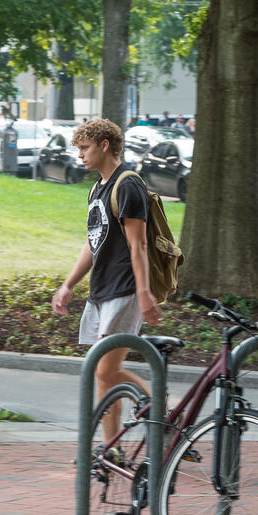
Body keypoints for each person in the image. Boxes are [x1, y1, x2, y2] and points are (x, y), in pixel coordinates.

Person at [50, 118, 161, 423]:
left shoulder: (127, 185)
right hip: (102, 287)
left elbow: (138, 245)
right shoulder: (98, 189)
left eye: (85, 148)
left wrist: (144, 293)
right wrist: (69, 284)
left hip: (124, 288)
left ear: (104, 145)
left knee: (104, 368)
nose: (80, 154)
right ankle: (110, 453)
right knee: (104, 376)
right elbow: (93, 241)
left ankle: (161, 412)